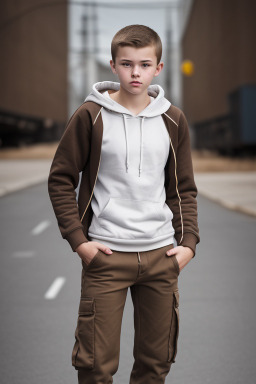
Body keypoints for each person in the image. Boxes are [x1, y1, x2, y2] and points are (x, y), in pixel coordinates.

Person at [48, 24, 200, 384]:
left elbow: (182, 189)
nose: (136, 73)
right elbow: (61, 179)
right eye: (127, 64)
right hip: (107, 256)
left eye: (145, 64)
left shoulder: (173, 119)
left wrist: (188, 244)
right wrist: (80, 243)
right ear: (113, 65)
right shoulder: (90, 115)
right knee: (95, 367)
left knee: (155, 365)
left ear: (158, 68)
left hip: (161, 257)